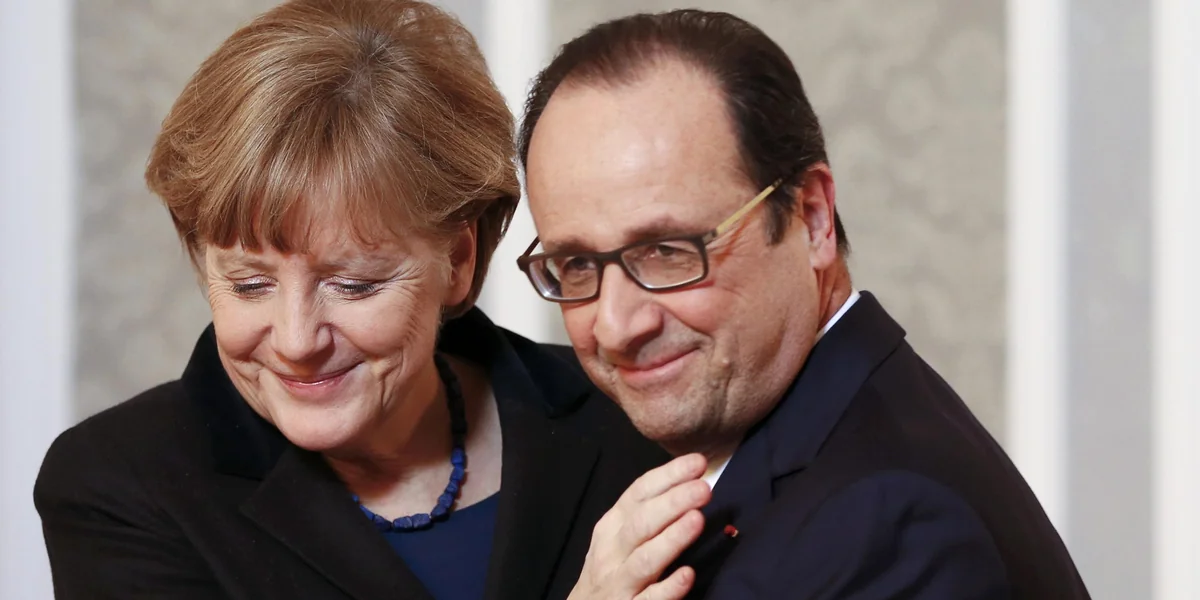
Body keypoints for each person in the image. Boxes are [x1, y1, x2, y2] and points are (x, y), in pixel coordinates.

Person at [33, 1, 666, 598]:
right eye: (250, 284)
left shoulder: (629, 413)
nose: (296, 340)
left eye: (352, 284)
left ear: (458, 260)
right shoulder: (117, 484)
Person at [516, 9, 1091, 600]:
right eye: (576, 263)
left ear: (812, 219)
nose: (615, 326)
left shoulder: (889, 525)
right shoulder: (754, 464)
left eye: (667, 251)